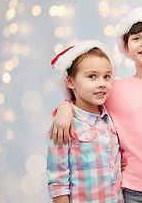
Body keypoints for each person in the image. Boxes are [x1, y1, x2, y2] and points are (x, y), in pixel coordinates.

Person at [50, 4, 142, 202]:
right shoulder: (113, 89)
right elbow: (81, 104)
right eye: (136, 38)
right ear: (126, 48)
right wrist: (64, 109)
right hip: (133, 189)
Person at [47, 40, 123, 202]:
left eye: (107, 76)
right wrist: (64, 108)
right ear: (70, 82)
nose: (102, 83)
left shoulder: (109, 118)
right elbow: (58, 180)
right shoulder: (64, 124)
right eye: (92, 76)